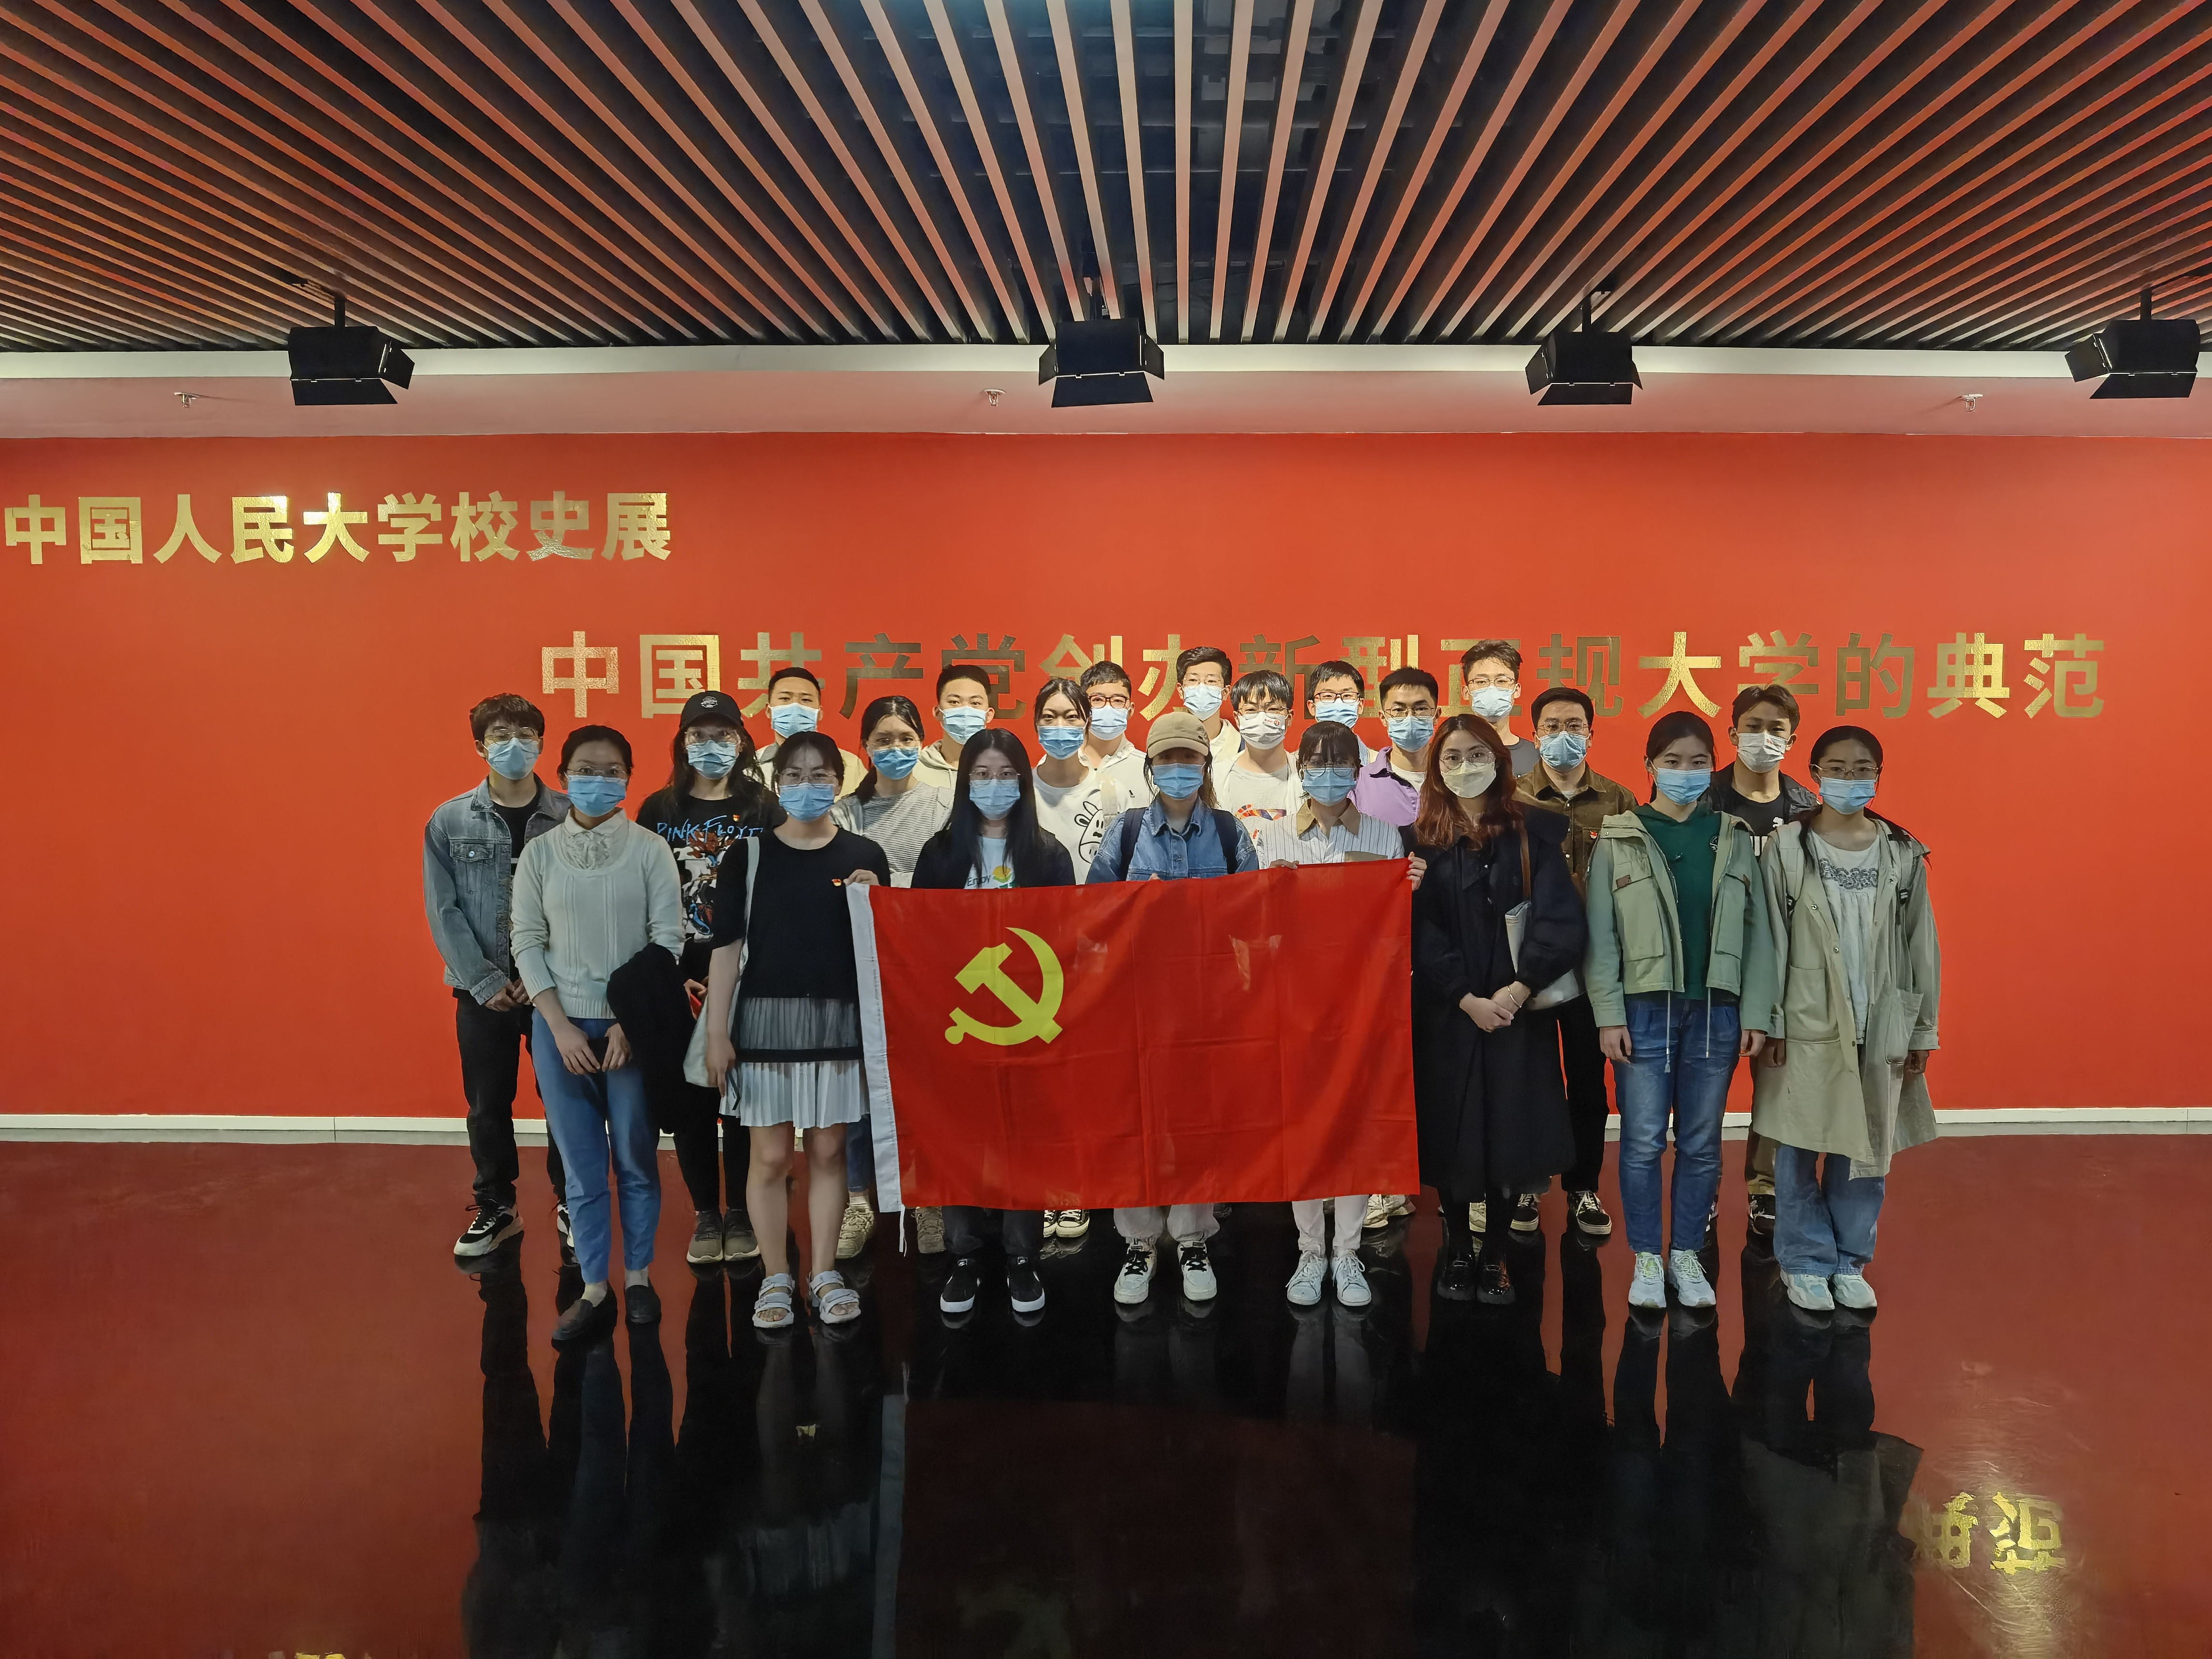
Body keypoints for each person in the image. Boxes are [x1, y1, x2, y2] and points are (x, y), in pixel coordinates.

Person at [1582, 711, 1777, 1315]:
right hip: (1643, 1012)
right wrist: (1608, 1015)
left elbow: (1760, 933)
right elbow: (1601, 936)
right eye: (1672, 762)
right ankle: (1647, 1256)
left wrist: (1756, 1012)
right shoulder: (1619, 837)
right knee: (1642, 1142)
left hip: (1715, 1012)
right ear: (1649, 766)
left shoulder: (1734, 836)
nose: (1685, 773)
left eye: (1698, 763)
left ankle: (1686, 1253)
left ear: (1713, 768)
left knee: (1701, 1144)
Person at [702, 730, 892, 1333]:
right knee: (771, 1156)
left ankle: (825, 1273)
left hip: (839, 1021)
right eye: (795, 775)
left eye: (820, 776)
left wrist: (877, 903)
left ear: (839, 782)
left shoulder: (865, 855)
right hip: (764, 1022)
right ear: (777, 782)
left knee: (830, 1152)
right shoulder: (748, 856)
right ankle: (777, 1276)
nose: (807, 786)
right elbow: (725, 951)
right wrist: (715, 1034)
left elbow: (884, 951)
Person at [510, 724, 685, 1346]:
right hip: (560, 1030)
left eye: (613, 771)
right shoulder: (539, 854)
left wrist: (629, 1023)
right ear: (563, 776)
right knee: (581, 1168)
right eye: (586, 769)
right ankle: (592, 1287)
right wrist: (557, 1027)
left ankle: (637, 1277)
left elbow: (668, 939)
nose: (599, 780)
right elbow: (527, 941)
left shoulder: (650, 850)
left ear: (629, 779)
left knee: (636, 1157)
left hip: (628, 1032)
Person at [1754, 726, 1939, 1314]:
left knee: (1867, 1147)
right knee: (1798, 1145)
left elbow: (1921, 945)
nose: (1850, 779)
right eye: (1837, 768)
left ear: (1879, 776)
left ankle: (1849, 1260)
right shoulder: (1787, 847)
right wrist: (1771, 1020)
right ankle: (1804, 1260)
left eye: (1862, 769)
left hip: (1880, 1021)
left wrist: (1922, 1028)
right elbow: (1769, 940)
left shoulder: (1902, 852)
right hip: (1807, 1020)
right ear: (1814, 772)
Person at [1409, 715, 1584, 1307]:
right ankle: (1458, 1246)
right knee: (1451, 1130)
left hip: (1518, 1012)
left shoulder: (1535, 831)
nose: (1466, 767)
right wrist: (1465, 998)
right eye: (1452, 757)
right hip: (1448, 1013)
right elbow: (1420, 931)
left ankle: (1496, 1253)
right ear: (1437, 769)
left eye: (1477, 754)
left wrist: (1514, 993)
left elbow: (1560, 921)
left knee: (1513, 1130)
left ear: (1500, 760)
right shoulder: (1420, 840)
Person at [1086, 709, 1260, 1306]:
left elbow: (1254, 919)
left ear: (1206, 765)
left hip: (1208, 1006)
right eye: (1168, 758)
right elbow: (1093, 915)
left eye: (1190, 758)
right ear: (1151, 765)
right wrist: (1138, 907)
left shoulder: (1230, 833)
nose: (1179, 768)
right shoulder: (1128, 831)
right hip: (1135, 1002)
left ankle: (1191, 1237)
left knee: (1196, 1123)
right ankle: (1138, 1240)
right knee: (1135, 1121)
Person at [911, 728, 1076, 1318]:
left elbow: (1065, 942)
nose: (994, 785)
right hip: (957, 1024)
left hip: (1028, 1024)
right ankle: (963, 1255)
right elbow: (916, 939)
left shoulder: (1049, 855)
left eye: (1006, 774)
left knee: (1020, 1141)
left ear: (1024, 782)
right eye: (981, 774)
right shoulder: (939, 854)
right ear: (964, 782)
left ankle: (1022, 1255)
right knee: (959, 1138)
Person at [1254, 719, 1407, 1309]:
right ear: (1301, 771)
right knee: (1303, 1128)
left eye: (1340, 762)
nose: (1327, 773)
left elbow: (1389, 928)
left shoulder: (1385, 835)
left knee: (1354, 1127)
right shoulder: (1274, 837)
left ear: (1357, 771)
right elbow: (1260, 931)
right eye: (1316, 763)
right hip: (1296, 1006)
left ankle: (1347, 1251)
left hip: (1362, 1007)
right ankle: (1310, 1250)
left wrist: (1406, 890)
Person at [637, 690, 781, 1269]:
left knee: (740, 1098)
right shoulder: (658, 809)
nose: (712, 745)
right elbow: (643, 897)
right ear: (683, 742)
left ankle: (742, 1212)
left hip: (746, 970)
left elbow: (778, 892)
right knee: (692, 1099)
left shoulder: (765, 807)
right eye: (700, 735)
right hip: (678, 973)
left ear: (742, 742)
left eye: (724, 735)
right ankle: (706, 1213)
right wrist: (674, 975)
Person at [426, 693, 572, 1259]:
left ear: (541, 742)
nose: (514, 745)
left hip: (555, 989)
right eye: (500, 735)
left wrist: (541, 976)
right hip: (480, 991)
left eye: (525, 734)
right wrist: (485, 981)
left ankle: (572, 1201)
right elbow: (443, 910)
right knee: (488, 1104)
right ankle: (496, 1206)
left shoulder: (569, 815)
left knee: (565, 1099)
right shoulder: (450, 820)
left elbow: (581, 905)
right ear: (480, 747)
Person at [1511, 686, 1639, 1242]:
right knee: (1531, 1080)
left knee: (1589, 1084)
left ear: (1591, 733)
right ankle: (1528, 1183)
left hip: (1595, 971)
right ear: (1534, 733)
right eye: (1551, 726)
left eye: (1574, 726)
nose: (1563, 736)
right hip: (1531, 969)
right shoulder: (1512, 799)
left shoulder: (1619, 801)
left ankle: (1584, 1187)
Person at [1702, 685, 1820, 1237]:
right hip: (1713, 967)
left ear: (1792, 740)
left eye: (1776, 729)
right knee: (1704, 1092)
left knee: (1775, 1088)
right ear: (1732, 733)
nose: (1764, 737)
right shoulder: (1701, 797)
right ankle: (1700, 1191)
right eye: (1753, 726)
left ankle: (1764, 1188)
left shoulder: (1807, 810)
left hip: (1782, 969)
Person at [1215, 667, 1302, 849]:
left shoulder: (1305, 775)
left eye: (1273, 709)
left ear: (1289, 718)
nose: (1262, 717)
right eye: (1251, 710)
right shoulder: (1216, 776)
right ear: (1238, 718)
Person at [751, 666, 865, 796]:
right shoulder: (752, 766)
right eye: (785, 699)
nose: (795, 706)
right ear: (769, 711)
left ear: (819, 713)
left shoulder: (851, 765)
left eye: (806, 700)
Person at [1350, 666, 1439, 827]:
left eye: (1421, 709)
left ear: (1436, 715)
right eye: (1399, 710)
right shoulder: (1359, 784)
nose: (1410, 717)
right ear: (1383, 718)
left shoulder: (1454, 777)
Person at [1457, 639, 1539, 780]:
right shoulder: (1452, 754)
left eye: (1502, 681)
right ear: (1466, 692)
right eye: (1481, 682)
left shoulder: (1536, 756)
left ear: (1516, 690)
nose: (1492, 689)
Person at [1077, 659, 1150, 798]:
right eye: (1097, 700)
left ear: (1130, 710)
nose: (1108, 707)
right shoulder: (1059, 765)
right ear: (1082, 708)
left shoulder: (1148, 771)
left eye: (1118, 701)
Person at [917, 662, 996, 787]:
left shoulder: (1005, 770)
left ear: (989, 715)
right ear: (938, 712)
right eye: (954, 702)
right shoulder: (914, 770)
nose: (965, 710)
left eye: (975, 703)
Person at [1172, 643, 1244, 770]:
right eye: (1193, 680)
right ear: (1181, 690)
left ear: (1225, 692)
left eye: (1211, 681)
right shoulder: (1166, 745)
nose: (1202, 688)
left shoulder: (1244, 748)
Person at [1305, 657, 1379, 762]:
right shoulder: (1295, 764)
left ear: (1360, 706)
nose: (1338, 702)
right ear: (1312, 707)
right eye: (1328, 696)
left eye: (1347, 695)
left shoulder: (1380, 765)